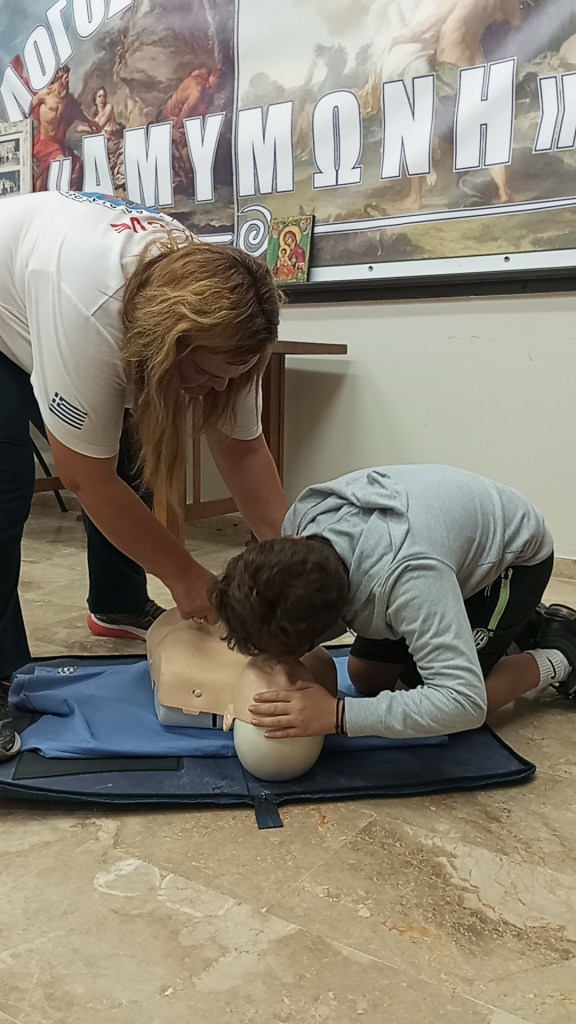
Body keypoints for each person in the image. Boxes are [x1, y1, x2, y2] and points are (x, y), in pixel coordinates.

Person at [0, 189, 287, 760]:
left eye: (232, 377)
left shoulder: (234, 319)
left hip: (49, 292)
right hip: (24, 289)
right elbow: (86, 479)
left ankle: (116, 603)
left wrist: (296, 561)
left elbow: (243, 451)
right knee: (6, 483)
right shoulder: (91, 308)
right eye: (208, 372)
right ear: (169, 342)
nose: (220, 389)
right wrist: (186, 577)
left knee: (133, 454)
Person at [211, 465, 576, 741]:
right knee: (366, 677)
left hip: (511, 559)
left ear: (341, 613)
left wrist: (337, 715)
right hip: (439, 547)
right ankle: (507, 627)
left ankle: (562, 652)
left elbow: (462, 702)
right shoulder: (306, 519)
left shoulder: (411, 579)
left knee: (427, 707)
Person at [31, 65, 100, 191]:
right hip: (44, 142)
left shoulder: (68, 99)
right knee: (61, 163)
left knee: (74, 165)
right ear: (58, 78)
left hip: (57, 143)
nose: (68, 81)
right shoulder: (45, 95)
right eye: (65, 78)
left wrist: (90, 122)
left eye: (68, 78)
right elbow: (28, 110)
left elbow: (78, 112)